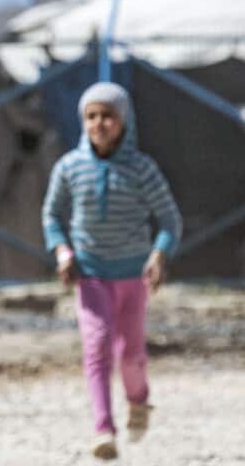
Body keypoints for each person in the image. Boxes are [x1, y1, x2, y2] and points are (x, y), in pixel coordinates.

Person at [41, 82, 182, 461]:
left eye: (107, 116)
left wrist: (159, 255)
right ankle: (103, 428)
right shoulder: (70, 168)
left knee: (131, 354)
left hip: (132, 276)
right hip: (90, 274)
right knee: (97, 346)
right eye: (91, 116)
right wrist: (63, 252)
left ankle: (139, 400)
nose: (99, 124)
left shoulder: (141, 169)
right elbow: (52, 215)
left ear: (124, 121)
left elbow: (169, 219)